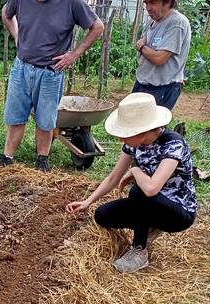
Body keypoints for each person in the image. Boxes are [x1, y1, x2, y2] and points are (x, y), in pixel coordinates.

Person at [65, 93, 197, 273]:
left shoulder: (173, 145)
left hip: (178, 212)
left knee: (138, 192)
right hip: (150, 205)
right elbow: (113, 178)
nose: (121, 139)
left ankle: (139, 251)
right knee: (103, 215)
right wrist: (88, 201)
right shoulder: (133, 144)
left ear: (142, 131)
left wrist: (135, 171)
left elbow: (151, 189)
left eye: (125, 133)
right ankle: (150, 225)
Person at [0, 0, 104, 172]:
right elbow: (6, 12)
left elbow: (97, 27)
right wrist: (16, 34)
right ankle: (7, 158)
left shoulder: (72, 3)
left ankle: (42, 161)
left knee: (45, 120)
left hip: (50, 72)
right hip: (22, 67)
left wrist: (74, 54)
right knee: (15, 117)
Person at [133, 0, 191, 111]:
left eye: (152, 3)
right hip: (143, 84)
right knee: (135, 124)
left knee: (153, 127)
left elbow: (159, 58)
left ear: (167, 2)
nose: (148, 7)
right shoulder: (152, 21)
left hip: (162, 88)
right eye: (146, 3)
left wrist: (141, 47)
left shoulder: (177, 23)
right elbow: (144, 41)